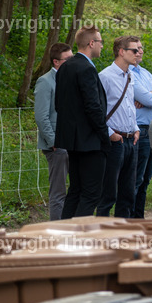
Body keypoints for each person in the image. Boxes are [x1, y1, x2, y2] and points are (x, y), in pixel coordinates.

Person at [55, 25, 108, 219]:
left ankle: (64, 231)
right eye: (100, 42)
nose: (102, 46)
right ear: (91, 43)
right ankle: (78, 234)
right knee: (91, 193)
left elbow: (59, 104)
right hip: (89, 141)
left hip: (71, 140)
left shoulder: (65, 67)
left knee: (75, 190)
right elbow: (93, 107)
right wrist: (104, 135)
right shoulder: (87, 69)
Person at [97, 35, 141, 217]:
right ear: (122, 52)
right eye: (134, 50)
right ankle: (102, 229)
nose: (138, 53)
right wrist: (110, 133)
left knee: (128, 193)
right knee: (108, 193)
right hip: (114, 141)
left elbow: (128, 104)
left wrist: (136, 128)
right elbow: (96, 109)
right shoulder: (105, 77)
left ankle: (123, 230)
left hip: (131, 140)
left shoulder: (130, 75)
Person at [34, 42, 72, 220]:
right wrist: (54, 142)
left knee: (76, 189)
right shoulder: (45, 81)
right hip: (57, 146)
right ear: (56, 62)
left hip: (73, 143)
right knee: (58, 192)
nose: (72, 62)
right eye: (68, 59)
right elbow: (41, 117)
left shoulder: (70, 79)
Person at [130, 40, 152, 218]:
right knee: (136, 179)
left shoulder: (145, 72)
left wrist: (148, 94)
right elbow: (149, 101)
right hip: (139, 132)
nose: (140, 51)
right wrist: (149, 96)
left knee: (145, 180)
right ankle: (129, 220)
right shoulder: (128, 74)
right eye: (136, 49)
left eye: (141, 48)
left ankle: (139, 219)